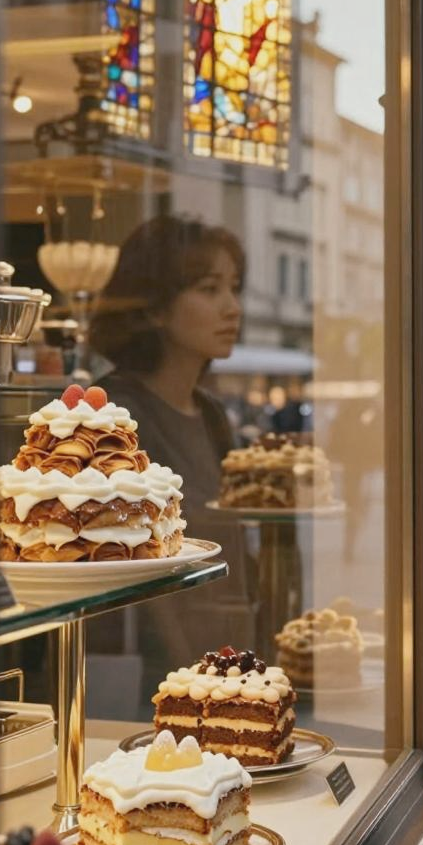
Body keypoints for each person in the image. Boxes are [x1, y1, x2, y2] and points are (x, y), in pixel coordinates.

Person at [89, 214, 251, 706]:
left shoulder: (211, 414)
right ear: (155, 309)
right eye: (209, 288)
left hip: (227, 672)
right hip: (158, 686)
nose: (232, 307)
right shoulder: (114, 415)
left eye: (234, 287)